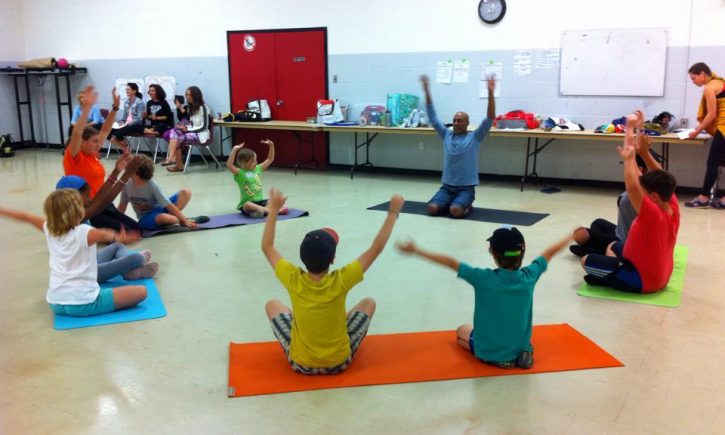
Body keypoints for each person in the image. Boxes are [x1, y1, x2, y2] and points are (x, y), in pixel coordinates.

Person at [262, 188, 404, 374]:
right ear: (333, 259)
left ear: (302, 258)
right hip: (339, 362)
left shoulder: (292, 277)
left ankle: (310, 323)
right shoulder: (342, 279)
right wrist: (393, 212)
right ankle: (330, 322)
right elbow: (376, 248)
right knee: (368, 303)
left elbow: (267, 246)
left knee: (272, 304)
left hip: (301, 364)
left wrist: (273, 210)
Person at [396, 227, 571, 369]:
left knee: (461, 331)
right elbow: (549, 252)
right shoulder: (530, 276)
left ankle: (496, 358)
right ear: (522, 252)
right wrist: (571, 235)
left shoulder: (482, 278)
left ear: (493, 254)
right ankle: (524, 352)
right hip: (518, 346)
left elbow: (451, 262)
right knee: (509, 332)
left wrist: (416, 250)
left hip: (490, 351)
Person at [0, 190, 147, 317]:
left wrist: (2, 210)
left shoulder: (49, 228)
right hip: (84, 303)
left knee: (115, 250)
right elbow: (104, 234)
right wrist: (122, 238)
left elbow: (25, 216)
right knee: (142, 292)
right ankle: (133, 267)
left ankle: (131, 269)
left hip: (55, 303)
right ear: (78, 211)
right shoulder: (84, 231)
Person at [581, 112, 680, 293]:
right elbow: (661, 175)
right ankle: (616, 267)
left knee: (586, 261)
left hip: (643, 280)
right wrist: (644, 152)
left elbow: (633, 186)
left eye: (647, 191)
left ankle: (612, 276)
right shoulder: (671, 203)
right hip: (660, 275)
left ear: (654, 197)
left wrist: (629, 155)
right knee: (612, 246)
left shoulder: (653, 213)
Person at [63, 85, 140, 232]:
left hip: (104, 204)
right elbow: (77, 132)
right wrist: (87, 108)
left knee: (137, 229)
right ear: (82, 142)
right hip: (89, 209)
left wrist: (115, 108)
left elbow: (105, 129)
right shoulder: (73, 156)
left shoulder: (92, 152)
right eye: (94, 141)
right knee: (128, 232)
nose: (99, 144)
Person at [55, 175, 159, 282]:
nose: (89, 199)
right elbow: (103, 233)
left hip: (89, 262)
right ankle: (133, 268)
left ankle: (130, 271)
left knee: (117, 247)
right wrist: (120, 237)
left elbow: (101, 199)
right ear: (73, 200)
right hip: (86, 274)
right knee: (136, 258)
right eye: (86, 196)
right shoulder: (75, 222)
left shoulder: (61, 220)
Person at [420, 73, 496, 218]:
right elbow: (433, 118)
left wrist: (490, 92)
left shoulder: (475, 136)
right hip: (447, 188)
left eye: (459, 120)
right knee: (431, 209)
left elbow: (490, 117)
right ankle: (450, 202)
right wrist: (426, 90)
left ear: (467, 123)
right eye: (454, 120)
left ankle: (465, 205)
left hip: (466, 189)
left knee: (455, 212)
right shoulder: (446, 134)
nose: (455, 123)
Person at [118, 155, 207, 231]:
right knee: (164, 218)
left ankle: (176, 220)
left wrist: (184, 220)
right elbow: (122, 207)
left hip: (161, 209)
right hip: (145, 217)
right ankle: (179, 220)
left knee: (186, 192)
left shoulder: (151, 185)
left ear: (135, 173)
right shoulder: (126, 186)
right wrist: (113, 222)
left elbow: (168, 205)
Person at [684, 63, 725, 208]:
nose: (693, 82)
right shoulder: (721, 82)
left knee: (712, 163)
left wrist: (696, 130)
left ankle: (703, 197)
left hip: (723, 127)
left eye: (694, 78)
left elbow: (711, 114)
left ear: (702, 74)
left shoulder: (709, 88)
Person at [227, 140, 288, 217]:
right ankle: (271, 211)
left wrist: (271, 146)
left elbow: (270, 159)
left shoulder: (258, 168)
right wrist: (234, 149)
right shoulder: (240, 173)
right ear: (243, 163)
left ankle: (260, 212)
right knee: (247, 204)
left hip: (261, 202)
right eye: (252, 161)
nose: (255, 162)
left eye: (256, 160)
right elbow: (229, 165)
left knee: (272, 200)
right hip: (249, 204)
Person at [160, 86, 210, 172]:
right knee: (175, 132)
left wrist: (188, 129)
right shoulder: (191, 108)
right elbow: (193, 124)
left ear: (195, 95)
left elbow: (204, 126)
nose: (187, 97)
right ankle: (172, 160)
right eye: (186, 94)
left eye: (189, 95)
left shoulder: (203, 107)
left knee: (177, 138)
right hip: (193, 132)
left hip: (201, 134)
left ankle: (174, 161)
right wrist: (186, 127)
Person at [109, 83, 145, 153]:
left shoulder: (139, 102)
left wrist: (127, 124)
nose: (126, 91)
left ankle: (126, 149)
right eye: (126, 89)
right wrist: (121, 122)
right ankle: (126, 148)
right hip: (126, 124)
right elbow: (125, 116)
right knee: (110, 131)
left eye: (128, 89)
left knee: (118, 133)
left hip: (136, 125)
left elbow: (139, 118)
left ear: (134, 91)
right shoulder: (126, 102)